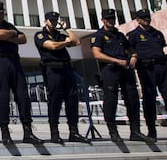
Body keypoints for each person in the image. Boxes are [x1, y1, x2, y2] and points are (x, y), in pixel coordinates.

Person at [0, 1, 43, 146]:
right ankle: (5, 131)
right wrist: (12, 35)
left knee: (23, 96)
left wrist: (9, 34)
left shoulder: (9, 25)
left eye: (2, 12)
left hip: (14, 61)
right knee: (3, 97)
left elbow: (23, 39)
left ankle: (27, 131)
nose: (0, 15)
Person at [90, 9, 152, 142]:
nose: (111, 21)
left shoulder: (120, 35)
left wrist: (134, 56)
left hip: (125, 69)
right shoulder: (99, 35)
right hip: (110, 69)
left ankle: (135, 131)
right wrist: (116, 61)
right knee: (111, 100)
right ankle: (113, 132)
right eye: (108, 19)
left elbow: (130, 49)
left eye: (112, 19)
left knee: (133, 100)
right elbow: (97, 54)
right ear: (103, 20)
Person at [34, 12, 90, 144]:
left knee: (72, 99)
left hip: (67, 69)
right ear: (45, 21)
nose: (53, 23)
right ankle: (54, 133)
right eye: (51, 21)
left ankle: (74, 132)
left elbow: (76, 41)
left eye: (55, 21)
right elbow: (52, 46)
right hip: (52, 70)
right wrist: (65, 43)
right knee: (55, 101)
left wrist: (66, 29)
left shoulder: (60, 35)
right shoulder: (40, 35)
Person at [127, 8, 167, 141]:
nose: (146, 19)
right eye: (143, 17)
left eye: (147, 17)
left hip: (161, 67)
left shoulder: (157, 34)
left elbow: (161, 47)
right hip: (146, 69)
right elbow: (129, 50)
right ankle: (152, 130)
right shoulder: (133, 35)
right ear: (137, 20)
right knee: (149, 99)